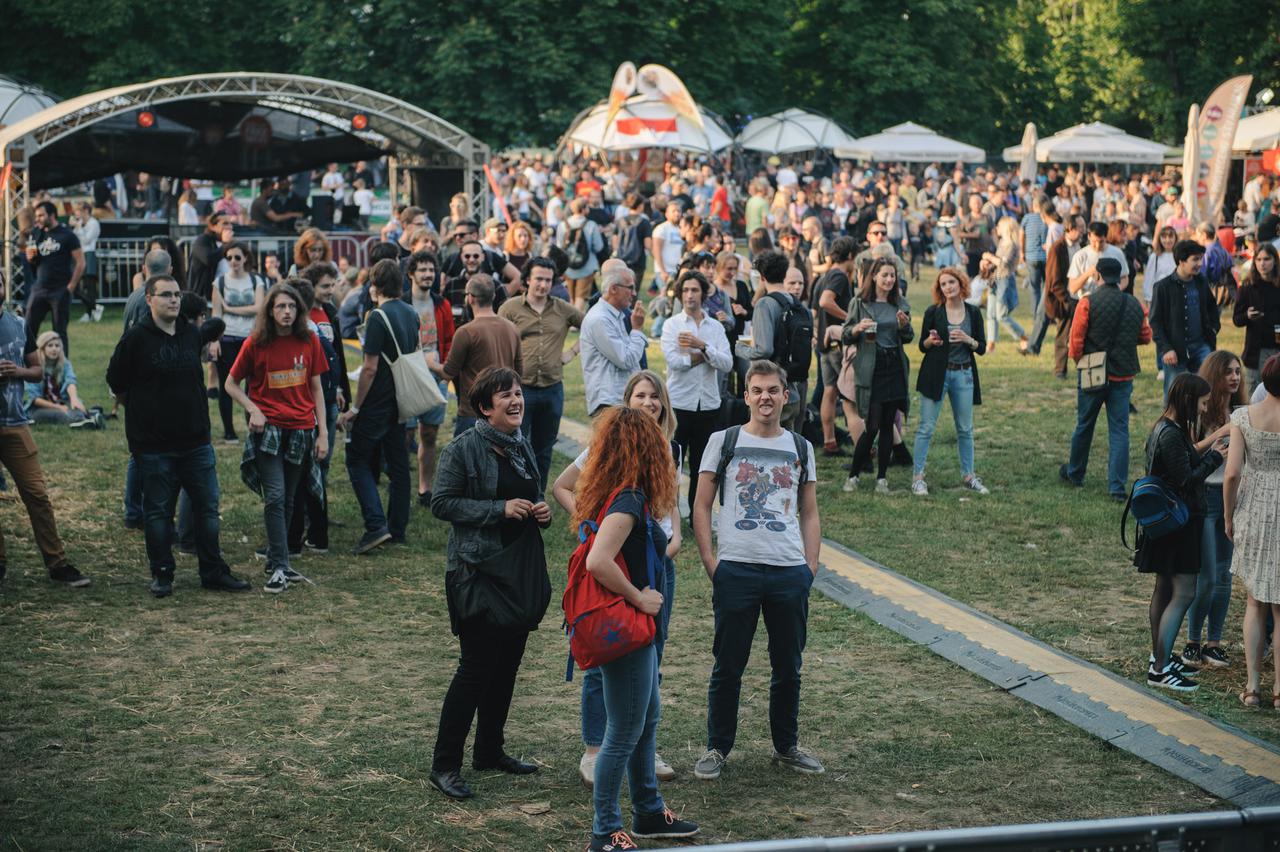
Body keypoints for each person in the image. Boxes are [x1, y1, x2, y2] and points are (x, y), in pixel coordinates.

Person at [691, 360, 822, 782]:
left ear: (787, 396)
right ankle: (717, 746)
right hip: (737, 570)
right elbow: (701, 504)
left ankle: (786, 747)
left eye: (773, 390)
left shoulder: (801, 447)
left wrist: (810, 566)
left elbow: (810, 511)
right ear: (746, 396)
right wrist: (712, 561)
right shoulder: (723, 441)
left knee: (788, 666)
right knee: (728, 665)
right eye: (757, 390)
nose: (765, 397)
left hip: (788, 572)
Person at [574, 405, 698, 850]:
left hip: (635, 631)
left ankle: (648, 810)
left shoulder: (623, 494)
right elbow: (598, 561)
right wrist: (638, 596)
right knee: (623, 731)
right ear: (644, 449)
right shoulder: (627, 500)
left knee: (646, 718)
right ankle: (604, 831)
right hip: (626, 629)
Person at [552, 371, 683, 789]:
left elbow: (670, 510)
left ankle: (644, 752)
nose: (648, 402)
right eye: (640, 395)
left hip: (655, 568)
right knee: (607, 656)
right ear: (626, 402)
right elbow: (564, 490)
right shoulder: (614, 451)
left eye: (654, 396)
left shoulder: (667, 450)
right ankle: (598, 749)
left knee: (650, 657)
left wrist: (672, 541)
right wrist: (591, 528)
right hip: (623, 571)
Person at [428, 367, 551, 801]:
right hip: (477, 571)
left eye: (518, 394)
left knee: (507, 665)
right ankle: (445, 764)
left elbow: (530, 491)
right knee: (477, 668)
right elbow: (442, 503)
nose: (516, 401)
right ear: (485, 407)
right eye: (506, 397)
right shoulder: (464, 449)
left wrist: (540, 511)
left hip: (516, 570)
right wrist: (498, 509)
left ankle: (489, 750)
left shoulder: (520, 443)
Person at [107, 276, 248, 597]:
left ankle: (213, 571)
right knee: (157, 512)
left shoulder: (189, 334)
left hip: (196, 441)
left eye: (176, 295)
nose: (173, 300)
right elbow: (116, 382)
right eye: (166, 295)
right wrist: (146, 414)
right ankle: (162, 573)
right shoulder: (135, 339)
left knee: (208, 509)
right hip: (154, 445)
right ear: (149, 299)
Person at [224, 282, 330, 593]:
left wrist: (322, 432)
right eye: (280, 306)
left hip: (301, 429)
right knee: (275, 496)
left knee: (289, 498)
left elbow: (316, 388)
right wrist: (252, 408)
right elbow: (231, 383)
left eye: (292, 307)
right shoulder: (256, 342)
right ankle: (281, 566)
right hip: (268, 429)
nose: (286, 312)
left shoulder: (310, 340)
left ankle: (276, 558)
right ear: (270, 311)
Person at [1137, 373, 1226, 692]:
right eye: (1202, 403)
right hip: (1180, 525)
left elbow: (1179, 469)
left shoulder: (1165, 426)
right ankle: (1159, 670)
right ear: (1189, 400)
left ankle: (1158, 657)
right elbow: (1186, 480)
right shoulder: (1172, 434)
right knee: (1184, 592)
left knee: (1163, 590)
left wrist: (1207, 451)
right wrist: (1216, 456)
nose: (1204, 409)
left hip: (1165, 524)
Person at [0, 297, 89, 587]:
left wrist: (17, 372)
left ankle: (58, 564)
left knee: (37, 494)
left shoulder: (17, 324)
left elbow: (37, 370)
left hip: (14, 423)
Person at [336, 259, 421, 554]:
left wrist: (355, 408)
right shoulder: (411, 313)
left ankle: (375, 525)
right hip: (401, 400)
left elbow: (369, 367)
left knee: (357, 460)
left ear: (375, 286)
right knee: (398, 467)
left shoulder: (377, 317)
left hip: (377, 402)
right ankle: (397, 529)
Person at [1062, 258, 1153, 499]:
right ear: (1121, 277)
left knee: (1085, 425)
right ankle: (1116, 487)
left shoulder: (1087, 303)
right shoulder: (1134, 304)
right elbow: (1145, 337)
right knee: (1119, 430)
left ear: (1097, 276)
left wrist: (1081, 362)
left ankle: (1075, 472)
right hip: (1123, 374)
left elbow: (1075, 343)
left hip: (1093, 371)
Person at [1179, 351, 1247, 669]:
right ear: (1214, 376)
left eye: (1238, 372)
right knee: (1205, 576)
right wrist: (1218, 435)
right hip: (1204, 497)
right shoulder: (1199, 413)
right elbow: (1185, 455)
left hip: (1231, 497)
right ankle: (1192, 641)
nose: (1235, 377)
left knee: (1223, 575)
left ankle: (1214, 643)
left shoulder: (1244, 413)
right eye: (1228, 372)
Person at [498, 256, 583, 489]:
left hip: (552, 388)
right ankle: (516, 491)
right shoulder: (510, 308)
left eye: (548, 280)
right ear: (527, 279)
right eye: (538, 279)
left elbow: (591, 328)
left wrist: (572, 352)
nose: (543, 285)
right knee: (516, 444)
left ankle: (538, 494)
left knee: (544, 448)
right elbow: (497, 339)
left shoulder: (562, 309)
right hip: (519, 389)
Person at [1225, 354, 1280, 707]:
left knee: (1255, 600)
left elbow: (1231, 473)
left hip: (1255, 507)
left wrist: (1229, 516)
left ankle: (1252, 686)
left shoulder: (1243, 416)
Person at [911, 268, 989, 496]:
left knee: (965, 429)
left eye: (951, 282)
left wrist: (967, 339)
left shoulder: (973, 313)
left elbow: (982, 348)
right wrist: (929, 341)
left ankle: (969, 476)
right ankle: (918, 478)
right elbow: (921, 346)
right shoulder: (933, 312)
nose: (948, 287)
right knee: (926, 428)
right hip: (937, 374)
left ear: (960, 283)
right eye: (943, 284)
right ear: (939, 289)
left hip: (964, 375)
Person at [840, 259, 914, 494]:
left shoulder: (899, 303)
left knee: (887, 424)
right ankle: (853, 476)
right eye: (885, 275)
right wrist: (857, 329)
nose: (889, 280)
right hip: (872, 368)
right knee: (871, 426)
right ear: (874, 277)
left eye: (892, 276)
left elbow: (909, 337)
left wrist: (904, 326)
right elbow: (845, 335)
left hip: (894, 367)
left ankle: (882, 478)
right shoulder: (860, 303)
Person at [661, 270, 733, 510]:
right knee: (672, 463)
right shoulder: (672, 325)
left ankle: (696, 515)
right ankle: (669, 515)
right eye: (685, 290)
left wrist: (701, 346)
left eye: (694, 290)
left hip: (709, 404)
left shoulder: (714, 327)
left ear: (703, 293)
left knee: (703, 465)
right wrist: (707, 355)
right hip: (679, 403)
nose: (689, 295)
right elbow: (675, 363)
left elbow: (727, 363)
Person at [430, 274, 521, 437]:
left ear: (470, 298)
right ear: (493, 296)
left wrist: (429, 362)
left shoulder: (466, 332)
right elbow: (519, 371)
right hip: (504, 411)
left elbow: (448, 372)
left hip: (474, 413)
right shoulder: (512, 328)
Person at [736, 250, 808, 433]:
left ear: (761, 277)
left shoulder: (765, 304)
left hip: (772, 389)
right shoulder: (798, 305)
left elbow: (764, 349)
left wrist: (740, 349)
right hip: (794, 388)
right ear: (784, 274)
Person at [403, 251, 454, 507]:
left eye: (431, 270)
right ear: (411, 273)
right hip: (408, 377)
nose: (427, 275)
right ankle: (401, 484)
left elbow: (448, 339)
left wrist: (444, 369)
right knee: (406, 434)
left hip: (435, 376)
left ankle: (425, 487)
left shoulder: (441, 304)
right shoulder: (402, 303)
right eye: (422, 270)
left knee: (430, 434)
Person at [209, 243, 267, 443]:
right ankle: (229, 431)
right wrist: (214, 340)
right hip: (227, 337)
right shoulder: (220, 282)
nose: (233, 261)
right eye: (229, 257)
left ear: (245, 258)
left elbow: (259, 308)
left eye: (237, 257)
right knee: (228, 384)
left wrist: (230, 309)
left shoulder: (255, 280)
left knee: (254, 385)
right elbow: (216, 313)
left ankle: (254, 424)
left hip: (251, 338)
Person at [1150, 240, 1218, 402]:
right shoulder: (1162, 287)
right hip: (1174, 350)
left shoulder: (1201, 282)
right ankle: (1171, 427)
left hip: (1202, 347)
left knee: (1206, 394)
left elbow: (1212, 309)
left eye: (1201, 259)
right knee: (1174, 397)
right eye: (1195, 259)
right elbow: (1155, 321)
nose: (1200, 263)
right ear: (1181, 261)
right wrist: (1166, 348)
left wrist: (1213, 329)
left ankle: (1201, 427)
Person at [580, 261, 647, 417]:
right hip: (609, 404)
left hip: (620, 401)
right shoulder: (600, 319)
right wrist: (637, 330)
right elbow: (626, 360)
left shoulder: (615, 315)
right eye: (630, 287)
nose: (634, 293)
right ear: (613, 289)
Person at [814, 237, 859, 454]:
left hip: (824, 343)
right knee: (850, 397)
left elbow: (816, 309)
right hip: (837, 345)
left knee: (829, 392)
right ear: (850, 255)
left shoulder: (824, 276)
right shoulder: (839, 276)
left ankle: (829, 442)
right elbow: (824, 302)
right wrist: (849, 318)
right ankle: (862, 444)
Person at [25, 200, 83, 355]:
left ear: (52, 215)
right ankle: (29, 366)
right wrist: (30, 258)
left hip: (60, 290)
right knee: (28, 329)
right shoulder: (37, 234)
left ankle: (64, 372)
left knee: (59, 332)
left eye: (41, 215)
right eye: (36, 216)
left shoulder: (68, 235)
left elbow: (81, 263)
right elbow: (35, 263)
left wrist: (71, 287)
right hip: (39, 288)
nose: (37, 219)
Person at [24, 331, 102, 428]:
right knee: (59, 414)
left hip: (61, 401)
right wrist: (59, 407)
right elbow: (35, 399)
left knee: (76, 405)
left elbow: (70, 381)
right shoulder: (35, 367)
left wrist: (74, 399)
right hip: (38, 408)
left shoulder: (65, 364)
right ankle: (85, 419)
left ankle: (86, 418)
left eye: (57, 346)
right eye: (50, 345)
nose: (54, 349)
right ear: (42, 348)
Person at [1233, 242, 1280, 396]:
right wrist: (1247, 315)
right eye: (1258, 260)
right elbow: (1237, 319)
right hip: (1257, 350)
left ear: (1274, 260)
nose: (1262, 264)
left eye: (1266, 259)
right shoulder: (1248, 286)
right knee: (1254, 394)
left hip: (1277, 347)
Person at [559, 197, 605, 313]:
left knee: (571, 294)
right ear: (584, 209)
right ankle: (575, 321)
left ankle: (570, 318)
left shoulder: (563, 225)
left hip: (568, 265)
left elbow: (560, 246)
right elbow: (598, 246)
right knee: (581, 295)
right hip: (587, 265)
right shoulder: (591, 225)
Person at [1068, 220, 1130, 299]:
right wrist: (1088, 274)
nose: (1097, 246)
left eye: (1101, 242)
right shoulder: (1080, 256)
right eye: (1094, 242)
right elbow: (1072, 288)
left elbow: (1125, 278)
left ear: (1106, 237)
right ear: (1089, 236)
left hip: (1110, 299)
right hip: (1088, 300)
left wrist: (1115, 291)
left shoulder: (1117, 253)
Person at [71, 202, 102, 323]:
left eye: (78, 211)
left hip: (89, 254)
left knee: (90, 286)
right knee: (76, 287)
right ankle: (94, 308)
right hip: (80, 255)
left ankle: (89, 313)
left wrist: (79, 228)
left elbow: (87, 240)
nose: (76, 214)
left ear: (85, 211)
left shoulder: (94, 223)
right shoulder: (80, 224)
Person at [186, 211, 225, 301]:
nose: (230, 227)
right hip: (203, 297)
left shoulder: (230, 244)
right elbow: (208, 259)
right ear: (212, 226)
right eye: (225, 223)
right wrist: (226, 245)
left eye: (231, 223)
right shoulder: (203, 240)